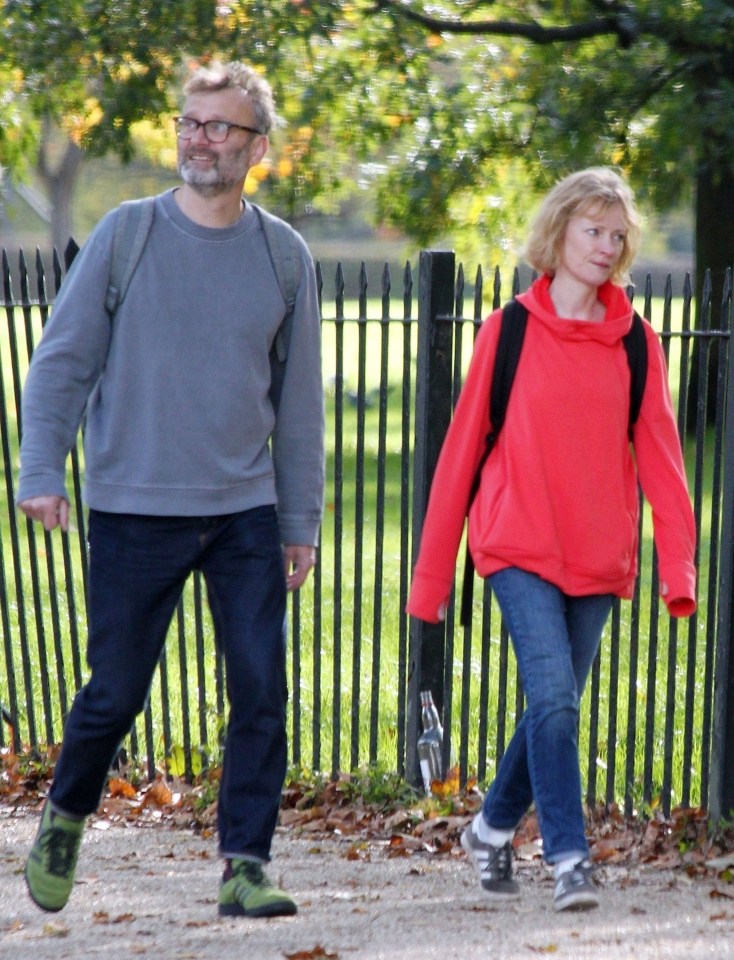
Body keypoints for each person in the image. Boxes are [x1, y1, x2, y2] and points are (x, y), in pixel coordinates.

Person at [17, 60, 324, 919]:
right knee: (114, 689)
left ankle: (245, 864)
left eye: (218, 126)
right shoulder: (127, 234)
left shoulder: (283, 255)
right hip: (133, 508)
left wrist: (298, 519)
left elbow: (298, 406)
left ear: (255, 147)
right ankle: (68, 812)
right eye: (190, 122)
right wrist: (41, 470)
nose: (198, 137)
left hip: (244, 514)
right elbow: (61, 364)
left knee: (262, 688)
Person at [406, 167, 696, 912]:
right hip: (516, 545)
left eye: (617, 235)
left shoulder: (637, 344)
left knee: (550, 707)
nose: (605, 247)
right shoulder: (508, 332)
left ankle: (491, 829)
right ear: (559, 233)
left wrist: (679, 568)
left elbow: (664, 462)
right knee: (557, 701)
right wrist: (431, 582)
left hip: (599, 559)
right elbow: (461, 455)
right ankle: (569, 857)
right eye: (592, 231)